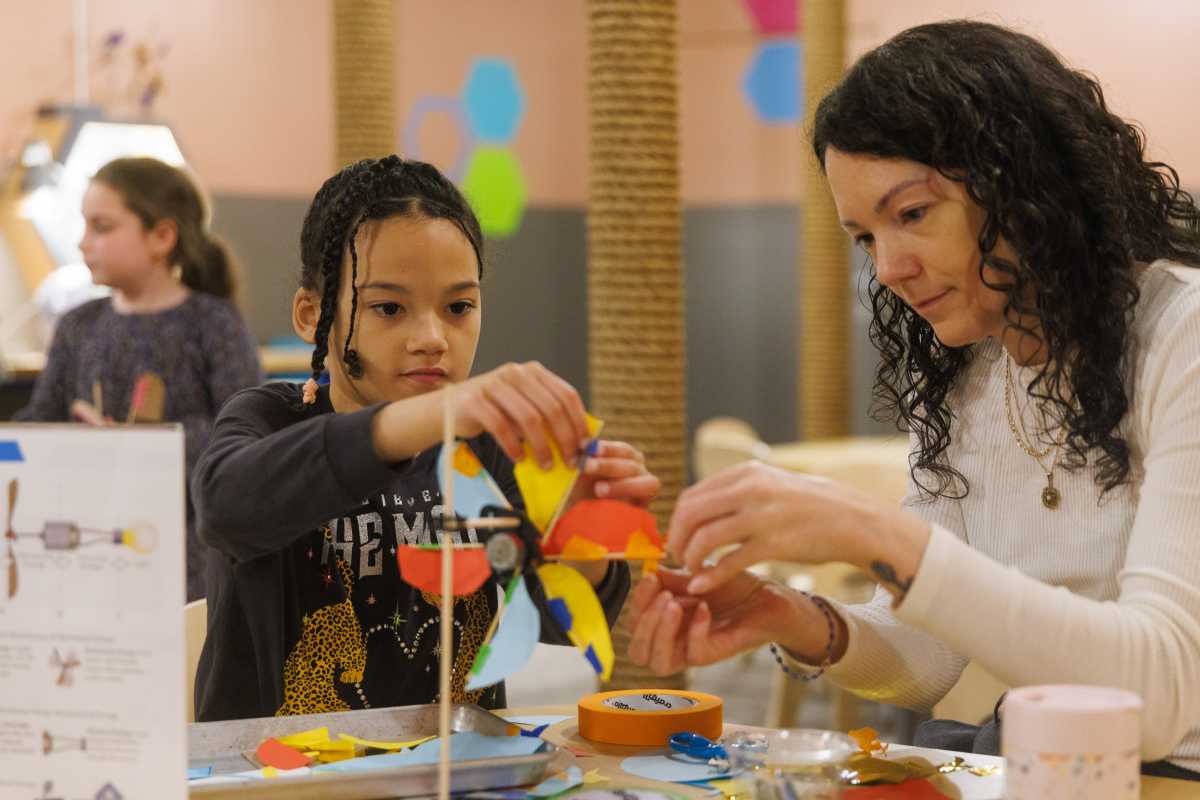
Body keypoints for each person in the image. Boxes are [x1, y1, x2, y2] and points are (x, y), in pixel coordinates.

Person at [627, 20, 1200, 779]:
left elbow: (1159, 698)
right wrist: (799, 620)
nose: (888, 268)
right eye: (864, 236)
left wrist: (874, 535)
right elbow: (935, 655)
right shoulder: (969, 376)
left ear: (1021, 185)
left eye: (912, 214)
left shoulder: (1182, 336)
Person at [192, 155, 659, 721]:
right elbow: (226, 504)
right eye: (389, 308)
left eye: (459, 306)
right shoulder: (266, 421)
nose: (433, 338)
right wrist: (425, 419)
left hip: (455, 770)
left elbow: (559, 622)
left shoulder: (483, 447)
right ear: (314, 315)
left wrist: (580, 528)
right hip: (288, 779)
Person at [14, 156, 263, 602]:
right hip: (90, 543)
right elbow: (42, 418)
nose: (83, 242)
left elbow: (244, 430)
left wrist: (143, 443)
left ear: (162, 236)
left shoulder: (213, 323)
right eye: (84, 226)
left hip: (190, 554)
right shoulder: (78, 325)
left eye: (102, 227)